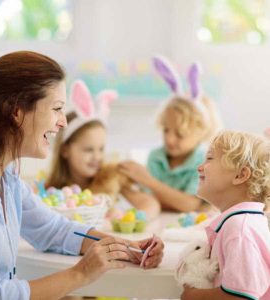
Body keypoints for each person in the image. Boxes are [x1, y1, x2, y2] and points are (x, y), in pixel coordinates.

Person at [0, 51, 164, 300]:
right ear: (15, 111)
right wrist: (81, 275)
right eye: (57, 109)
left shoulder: (5, 176)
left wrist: (125, 247)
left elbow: (54, 229)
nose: (62, 122)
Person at [45, 80, 161, 220]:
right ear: (65, 150)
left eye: (101, 149)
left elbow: (151, 204)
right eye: (88, 150)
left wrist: (128, 219)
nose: (97, 156)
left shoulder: (112, 179)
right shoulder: (53, 192)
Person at [120, 55, 222, 212]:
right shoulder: (156, 157)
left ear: (201, 132)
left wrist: (148, 181)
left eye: (180, 134)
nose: (169, 138)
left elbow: (190, 205)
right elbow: (151, 200)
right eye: (166, 130)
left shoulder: (202, 162)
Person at [181, 130, 270, 300]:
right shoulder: (240, 223)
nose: (199, 167)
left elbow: (241, 296)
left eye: (210, 158)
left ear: (240, 175)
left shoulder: (240, 229)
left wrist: (194, 296)